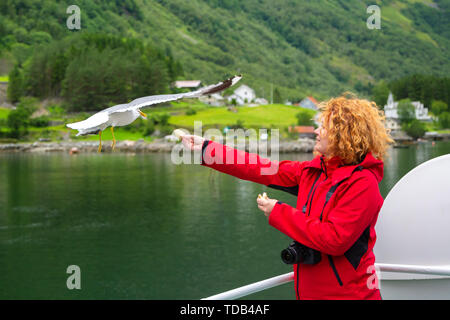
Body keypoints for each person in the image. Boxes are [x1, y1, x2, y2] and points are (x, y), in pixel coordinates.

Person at [181, 94, 394, 300]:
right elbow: (262, 168)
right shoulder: (314, 172)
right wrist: (208, 149)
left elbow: (334, 240)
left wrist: (278, 212)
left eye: (324, 127)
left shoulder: (363, 184)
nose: (316, 131)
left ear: (343, 136)